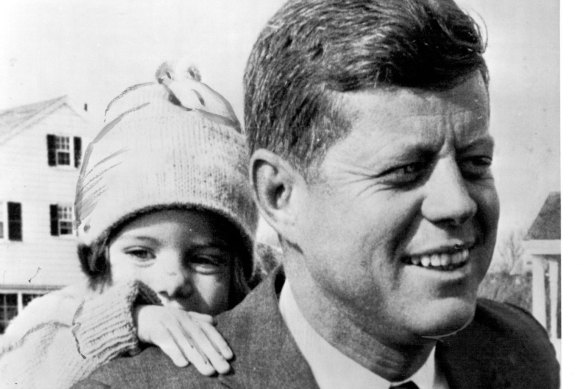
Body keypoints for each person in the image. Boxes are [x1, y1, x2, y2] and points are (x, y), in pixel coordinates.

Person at [74, 0, 560, 388]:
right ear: (280, 194)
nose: (458, 203)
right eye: (405, 170)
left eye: (476, 163)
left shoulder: (523, 351)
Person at [0, 61, 257, 389]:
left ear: (238, 273)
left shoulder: (260, 335)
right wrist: (121, 324)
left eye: (205, 259)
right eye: (141, 252)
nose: (173, 282)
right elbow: (22, 376)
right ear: (102, 258)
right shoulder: (63, 322)